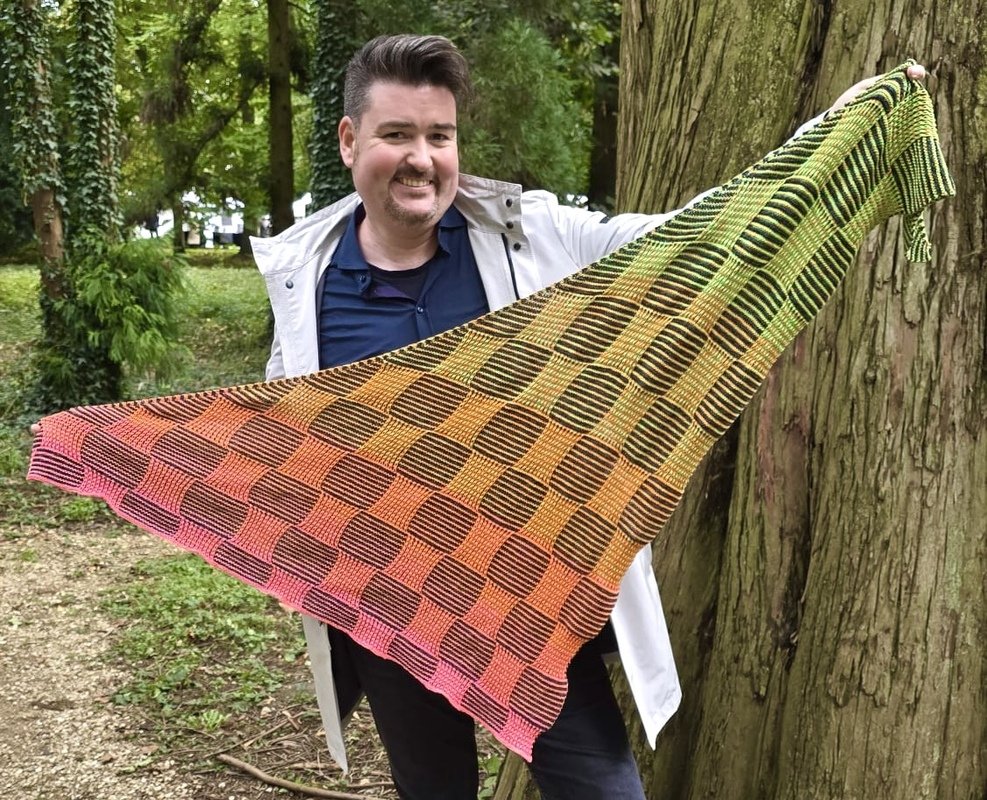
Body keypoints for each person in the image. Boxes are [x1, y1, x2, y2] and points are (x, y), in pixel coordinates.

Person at [250, 34, 925, 800]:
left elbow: (688, 235)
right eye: (397, 134)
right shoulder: (306, 284)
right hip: (392, 605)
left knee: (603, 790)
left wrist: (828, 134)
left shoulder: (528, 238)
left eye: (439, 136)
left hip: (531, 597)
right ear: (349, 141)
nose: (422, 158)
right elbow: (287, 449)